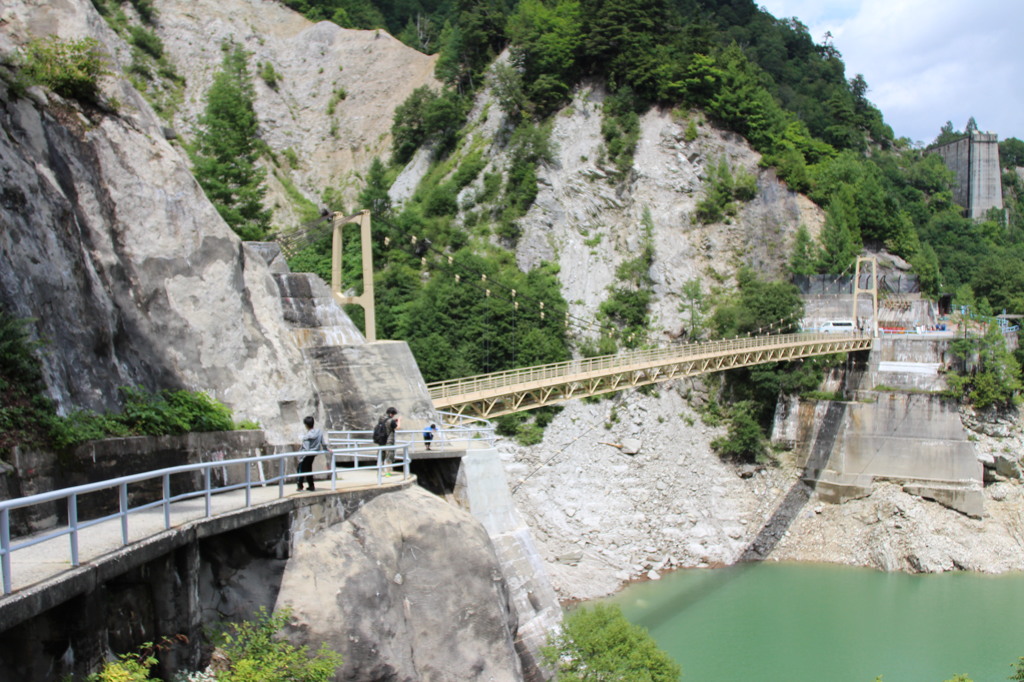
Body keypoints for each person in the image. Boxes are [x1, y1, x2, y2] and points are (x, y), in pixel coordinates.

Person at [297, 416, 328, 491]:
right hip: (313, 454)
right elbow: (323, 443)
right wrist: (326, 449)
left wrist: (300, 455)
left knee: (301, 469)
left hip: (307, 455)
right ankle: (311, 485)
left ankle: (300, 485)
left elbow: (306, 448)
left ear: (306, 425)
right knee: (308, 469)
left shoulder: (307, 436)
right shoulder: (319, 432)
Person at [382, 406, 400, 475]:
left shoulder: (383, 419)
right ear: (391, 413)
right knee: (389, 456)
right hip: (389, 440)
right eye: (393, 414)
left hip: (383, 440)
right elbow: (397, 428)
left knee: (384, 456)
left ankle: (383, 472)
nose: (393, 415)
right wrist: (399, 421)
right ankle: (388, 473)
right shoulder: (391, 421)